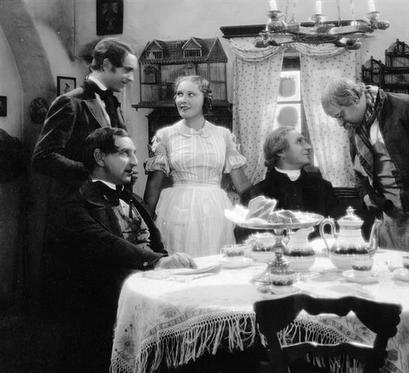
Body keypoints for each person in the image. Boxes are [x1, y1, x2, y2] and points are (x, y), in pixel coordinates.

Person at [45, 127, 195, 373]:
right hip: (104, 303)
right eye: (124, 153)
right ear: (99, 157)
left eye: (134, 153)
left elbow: (156, 243)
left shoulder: (131, 198)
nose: (135, 162)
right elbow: (104, 242)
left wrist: (165, 263)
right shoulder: (74, 201)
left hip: (147, 289)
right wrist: (156, 263)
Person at [321, 77, 409, 251]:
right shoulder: (354, 128)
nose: (340, 123)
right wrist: (366, 195)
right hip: (386, 213)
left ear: (355, 98)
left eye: (340, 115)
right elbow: (359, 172)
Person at [143, 75, 251, 257]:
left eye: (191, 94)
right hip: (177, 209)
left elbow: (242, 184)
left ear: (205, 99)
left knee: (214, 261)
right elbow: (153, 189)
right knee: (180, 263)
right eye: (179, 94)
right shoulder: (165, 135)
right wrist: (142, 227)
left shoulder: (223, 135)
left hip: (215, 210)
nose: (183, 100)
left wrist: (263, 207)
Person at [33, 38, 137, 194]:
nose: (131, 78)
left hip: (109, 201)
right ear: (106, 65)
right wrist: (94, 173)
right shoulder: (70, 102)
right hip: (77, 201)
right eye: (127, 70)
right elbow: (43, 157)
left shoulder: (112, 102)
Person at [244, 126, 339, 218]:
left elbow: (337, 225)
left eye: (305, 141)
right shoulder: (257, 193)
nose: (309, 147)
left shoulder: (323, 186)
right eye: (299, 141)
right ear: (280, 152)